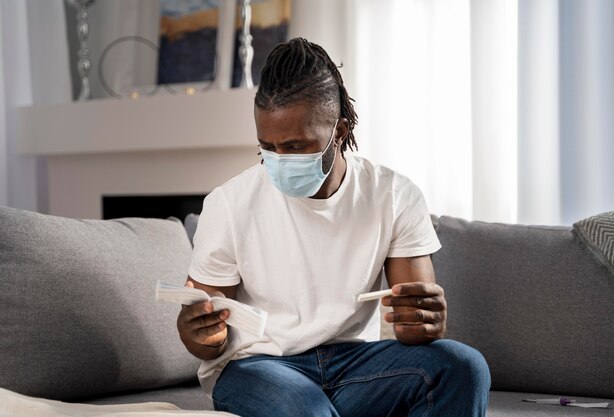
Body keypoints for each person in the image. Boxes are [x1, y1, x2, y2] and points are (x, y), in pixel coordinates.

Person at [177, 37, 490, 416]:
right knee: (306, 409)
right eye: (267, 147)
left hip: (354, 365)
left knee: (462, 366)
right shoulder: (228, 204)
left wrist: (427, 321)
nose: (278, 160)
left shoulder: (394, 195)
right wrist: (198, 333)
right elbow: (207, 341)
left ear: (339, 132)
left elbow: (413, 330)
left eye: (295, 146)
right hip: (258, 366)